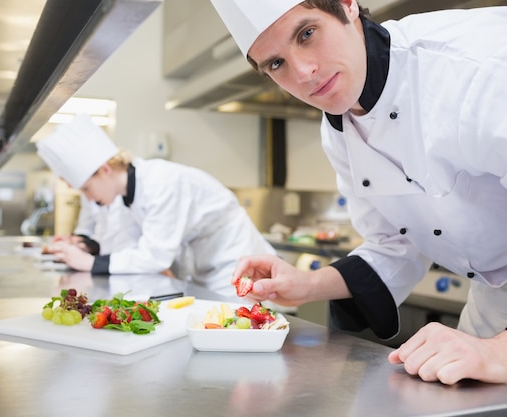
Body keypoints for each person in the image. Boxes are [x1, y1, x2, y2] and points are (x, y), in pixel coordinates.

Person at [210, 0, 507, 384]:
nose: (304, 73)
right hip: (491, 306)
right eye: (276, 64)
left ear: (348, 5)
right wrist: (307, 286)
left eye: (306, 34)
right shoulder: (339, 128)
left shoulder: (478, 69)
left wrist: (498, 351)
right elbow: (393, 243)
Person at [36, 113, 276, 297]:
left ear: (105, 170)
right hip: (201, 264)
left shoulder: (161, 182)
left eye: (86, 188)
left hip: (235, 259)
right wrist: (89, 249)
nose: (88, 199)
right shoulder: (128, 192)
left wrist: (89, 262)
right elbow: (127, 248)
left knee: (236, 331)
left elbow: (154, 255)